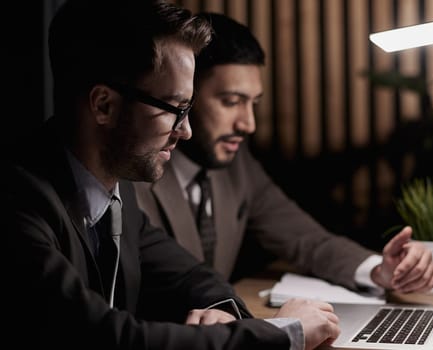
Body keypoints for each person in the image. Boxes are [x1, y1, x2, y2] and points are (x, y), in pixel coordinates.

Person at [3, 1, 341, 349]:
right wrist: (282, 333)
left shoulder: (116, 190)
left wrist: (219, 314)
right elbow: (105, 336)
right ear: (103, 105)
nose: (187, 130)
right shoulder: (16, 201)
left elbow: (193, 277)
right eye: (176, 109)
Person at [134, 12, 433, 295]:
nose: (248, 124)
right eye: (230, 101)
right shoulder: (133, 171)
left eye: (253, 103)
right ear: (186, 95)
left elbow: (307, 240)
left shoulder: (238, 166)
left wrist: (380, 270)